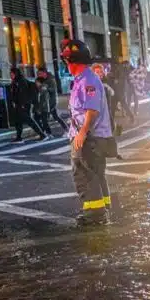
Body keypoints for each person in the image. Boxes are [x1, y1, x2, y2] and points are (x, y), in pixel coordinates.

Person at [61, 39, 114, 226]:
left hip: (89, 137)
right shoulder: (82, 80)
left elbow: (92, 110)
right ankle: (102, 209)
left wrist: (82, 133)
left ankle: (95, 213)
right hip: (90, 136)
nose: (66, 65)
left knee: (84, 174)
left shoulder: (88, 80)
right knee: (96, 173)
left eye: (67, 61)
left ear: (73, 62)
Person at [8, 67, 47, 142]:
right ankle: (19, 137)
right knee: (18, 121)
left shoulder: (21, 81)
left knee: (29, 120)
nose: (11, 75)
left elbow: (23, 94)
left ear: (16, 74)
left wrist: (22, 104)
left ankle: (42, 135)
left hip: (24, 105)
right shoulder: (15, 82)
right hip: (18, 105)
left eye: (12, 74)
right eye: (10, 74)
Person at [35, 66, 66, 133]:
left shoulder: (50, 79)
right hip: (46, 102)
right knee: (53, 117)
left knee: (48, 118)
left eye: (40, 73)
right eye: (38, 74)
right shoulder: (42, 79)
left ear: (44, 73)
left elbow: (53, 90)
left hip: (51, 101)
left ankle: (47, 133)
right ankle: (46, 132)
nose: (38, 75)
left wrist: (45, 87)